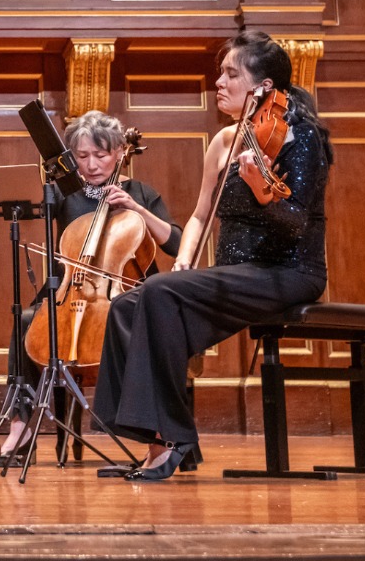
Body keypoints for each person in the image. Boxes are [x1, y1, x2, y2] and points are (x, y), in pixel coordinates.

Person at [92, 30, 333, 480]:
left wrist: (264, 193)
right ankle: (157, 442)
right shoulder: (225, 140)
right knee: (127, 304)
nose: (218, 82)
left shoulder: (300, 138)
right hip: (234, 272)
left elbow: (297, 223)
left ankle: (173, 441)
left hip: (287, 271)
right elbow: (201, 215)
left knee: (159, 294)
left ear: (262, 87)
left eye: (230, 74)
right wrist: (184, 260)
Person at [0, 109, 183, 458]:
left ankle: (157, 438)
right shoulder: (65, 193)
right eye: (82, 157)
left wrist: (137, 210)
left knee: (136, 324)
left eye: (100, 155)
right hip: (74, 289)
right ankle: (20, 427)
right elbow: (23, 211)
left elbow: (174, 242)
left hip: (128, 293)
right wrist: (3, 218)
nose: (92, 165)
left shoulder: (141, 192)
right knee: (26, 321)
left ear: (118, 153)